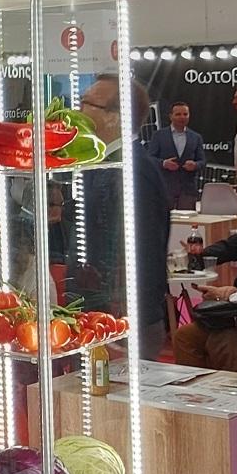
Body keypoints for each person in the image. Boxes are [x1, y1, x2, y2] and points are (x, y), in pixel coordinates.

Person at [78, 74, 170, 358]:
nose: (79, 110)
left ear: (115, 117)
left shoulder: (134, 171)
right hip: (99, 316)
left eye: (87, 103)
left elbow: (144, 251)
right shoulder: (104, 164)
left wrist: (125, 321)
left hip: (123, 320)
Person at [173, 171, 237, 372]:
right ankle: (197, 389)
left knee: (225, 342)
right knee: (184, 337)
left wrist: (229, 294)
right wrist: (200, 255)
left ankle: (236, 392)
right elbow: (232, 246)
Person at [147, 102, 205, 210]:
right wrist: (164, 163)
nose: (182, 117)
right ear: (171, 116)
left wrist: (195, 165)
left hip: (187, 191)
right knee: (163, 219)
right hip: (164, 189)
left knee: (187, 220)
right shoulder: (158, 136)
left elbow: (202, 161)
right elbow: (150, 159)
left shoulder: (196, 137)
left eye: (185, 114)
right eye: (178, 114)